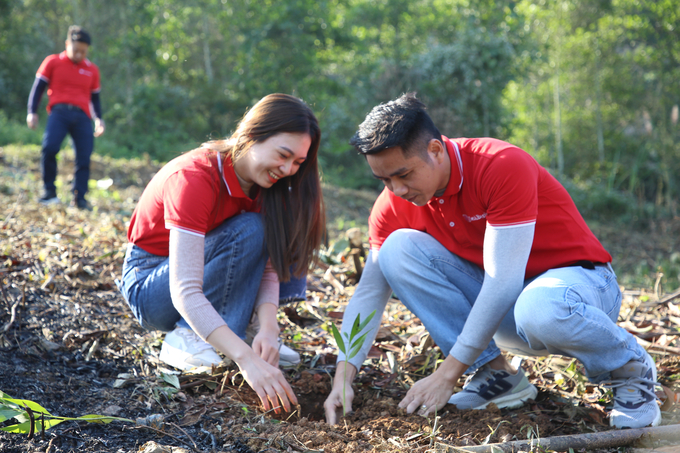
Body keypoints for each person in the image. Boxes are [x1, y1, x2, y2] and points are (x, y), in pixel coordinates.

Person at [323, 93, 660, 429]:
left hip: (581, 291)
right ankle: (497, 376)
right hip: (512, 311)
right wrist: (344, 375)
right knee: (396, 250)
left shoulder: (499, 165)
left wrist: (447, 375)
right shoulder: (394, 204)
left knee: (540, 306)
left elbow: (503, 280)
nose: (396, 190)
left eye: (404, 175)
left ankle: (629, 367)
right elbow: (369, 292)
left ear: (436, 150)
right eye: (384, 180)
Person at [118, 93, 325, 414]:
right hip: (153, 285)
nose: (287, 169)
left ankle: (238, 329)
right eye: (283, 155)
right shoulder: (194, 177)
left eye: (298, 162)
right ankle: (188, 336)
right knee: (250, 229)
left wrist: (270, 328)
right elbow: (183, 289)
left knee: (266, 230)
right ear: (250, 134)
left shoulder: (265, 185)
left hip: (202, 275)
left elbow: (268, 264)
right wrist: (246, 359)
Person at [27, 25, 105, 210]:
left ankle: (79, 199)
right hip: (59, 113)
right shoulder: (52, 62)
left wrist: (99, 119)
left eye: (83, 52)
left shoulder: (92, 70)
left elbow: (95, 99)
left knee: (84, 157)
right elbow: (38, 88)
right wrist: (32, 111)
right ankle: (49, 193)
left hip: (82, 116)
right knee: (50, 148)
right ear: (67, 44)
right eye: (76, 50)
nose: (79, 55)